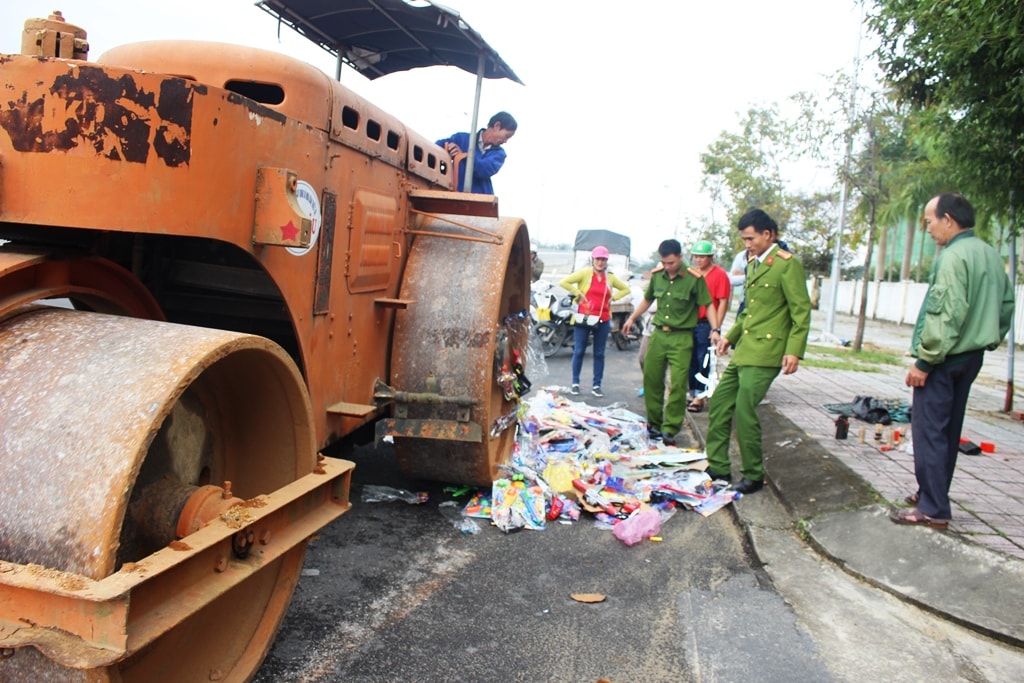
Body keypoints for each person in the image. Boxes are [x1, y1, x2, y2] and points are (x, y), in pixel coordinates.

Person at [892, 192, 1014, 529]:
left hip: (944, 357)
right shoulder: (990, 255)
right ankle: (933, 493)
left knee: (930, 430)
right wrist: (986, 335)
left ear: (948, 219)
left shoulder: (951, 257)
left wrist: (925, 361)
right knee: (948, 430)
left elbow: (946, 314)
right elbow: (1006, 306)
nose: (928, 229)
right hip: (971, 356)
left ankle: (933, 508)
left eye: (930, 221)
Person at [706, 209, 811, 493]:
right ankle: (717, 467)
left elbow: (800, 311)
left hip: (767, 351)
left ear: (768, 234)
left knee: (744, 410)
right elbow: (748, 313)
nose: (747, 244)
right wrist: (729, 337)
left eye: (751, 238)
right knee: (719, 404)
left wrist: (794, 351)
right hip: (745, 350)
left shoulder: (787, 265)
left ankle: (753, 474)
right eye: (744, 239)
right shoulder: (753, 264)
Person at [624, 239, 715, 446]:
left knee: (678, 384)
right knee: (652, 379)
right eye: (664, 263)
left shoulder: (694, 278)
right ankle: (654, 424)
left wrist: (715, 329)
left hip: (682, 337)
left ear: (681, 258)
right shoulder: (657, 276)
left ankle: (670, 428)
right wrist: (631, 318)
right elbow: (647, 300)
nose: (668, 267)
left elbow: (708, 304)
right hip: (659, 334)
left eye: (671, 263)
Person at [559, 245, 632, 398]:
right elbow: (564, 282)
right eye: (598, 259)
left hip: (603, 319)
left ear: (607, 261)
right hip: (584, 318)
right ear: (593, 259)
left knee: (599, 353)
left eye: (603, 259)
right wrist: (577, 293)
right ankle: (575, 383)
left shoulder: (610, 277)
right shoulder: (585, 273)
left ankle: (597, 385)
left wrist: (614, 298)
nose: (600, 262)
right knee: (579, 351)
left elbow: (626, 289)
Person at [687, 240, 731, 413]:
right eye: (696, 256)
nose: (699, 260)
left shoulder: (719, 275)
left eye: (702, 257)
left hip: (706, 324)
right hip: (690, 323)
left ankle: (700, 396)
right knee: (689, 361)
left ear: (710, 257)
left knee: (703, 360)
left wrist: (716, 328)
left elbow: (722, 303)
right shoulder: (691, 274)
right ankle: (692, 392)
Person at [436, 111, 517, 194]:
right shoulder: (461, 138)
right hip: (453, 195)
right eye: (507, 136)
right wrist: (447, 148)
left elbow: (483, 169)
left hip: (479, 202)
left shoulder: (499, 154)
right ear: (497, 126)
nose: (506, 141)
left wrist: (464, 157)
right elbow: (435, 148)